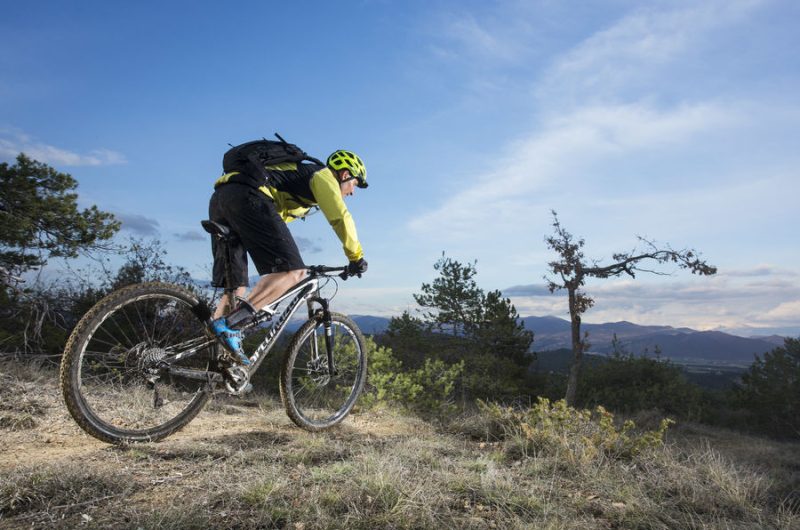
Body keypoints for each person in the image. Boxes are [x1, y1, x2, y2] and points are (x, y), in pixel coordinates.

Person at [207, 148, 368, 365]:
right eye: (354, 184)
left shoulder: (298, 178)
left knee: (235, 287)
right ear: (345, 175)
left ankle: (218, 364)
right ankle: (232, 324)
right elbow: (341, 217)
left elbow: (276, 221)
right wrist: (356, 257)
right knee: (293, 272)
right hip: (249, 195)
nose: (352, 192)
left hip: (221, 197)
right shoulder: (323, 175)